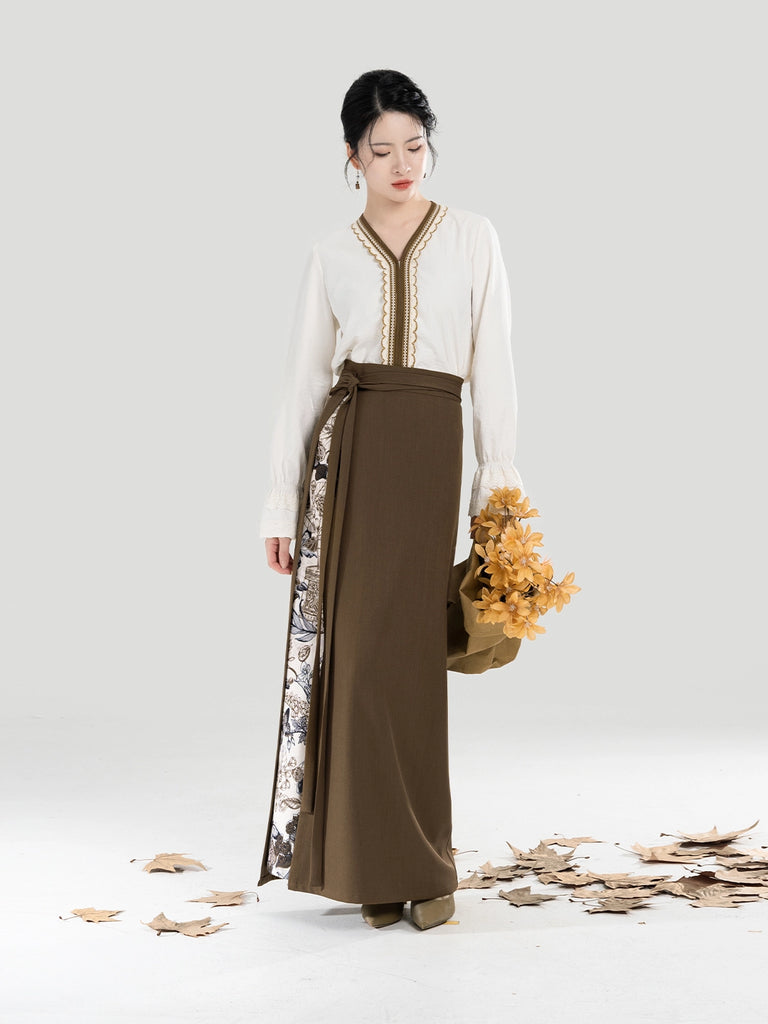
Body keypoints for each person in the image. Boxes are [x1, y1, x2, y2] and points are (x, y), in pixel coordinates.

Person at [256, 69, 525, 931]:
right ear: (352, 157)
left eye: (416, 145)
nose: (404, 163)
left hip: (431, 446)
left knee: (410, 659)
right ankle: (373, 865)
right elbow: (303, 383)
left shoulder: (474, 237)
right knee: (361, 661)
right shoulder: (330, 255)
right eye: (383, 150)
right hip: (353, 454)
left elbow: (494, 369)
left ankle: (426, 865)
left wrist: (500, 494)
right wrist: (280, 505)